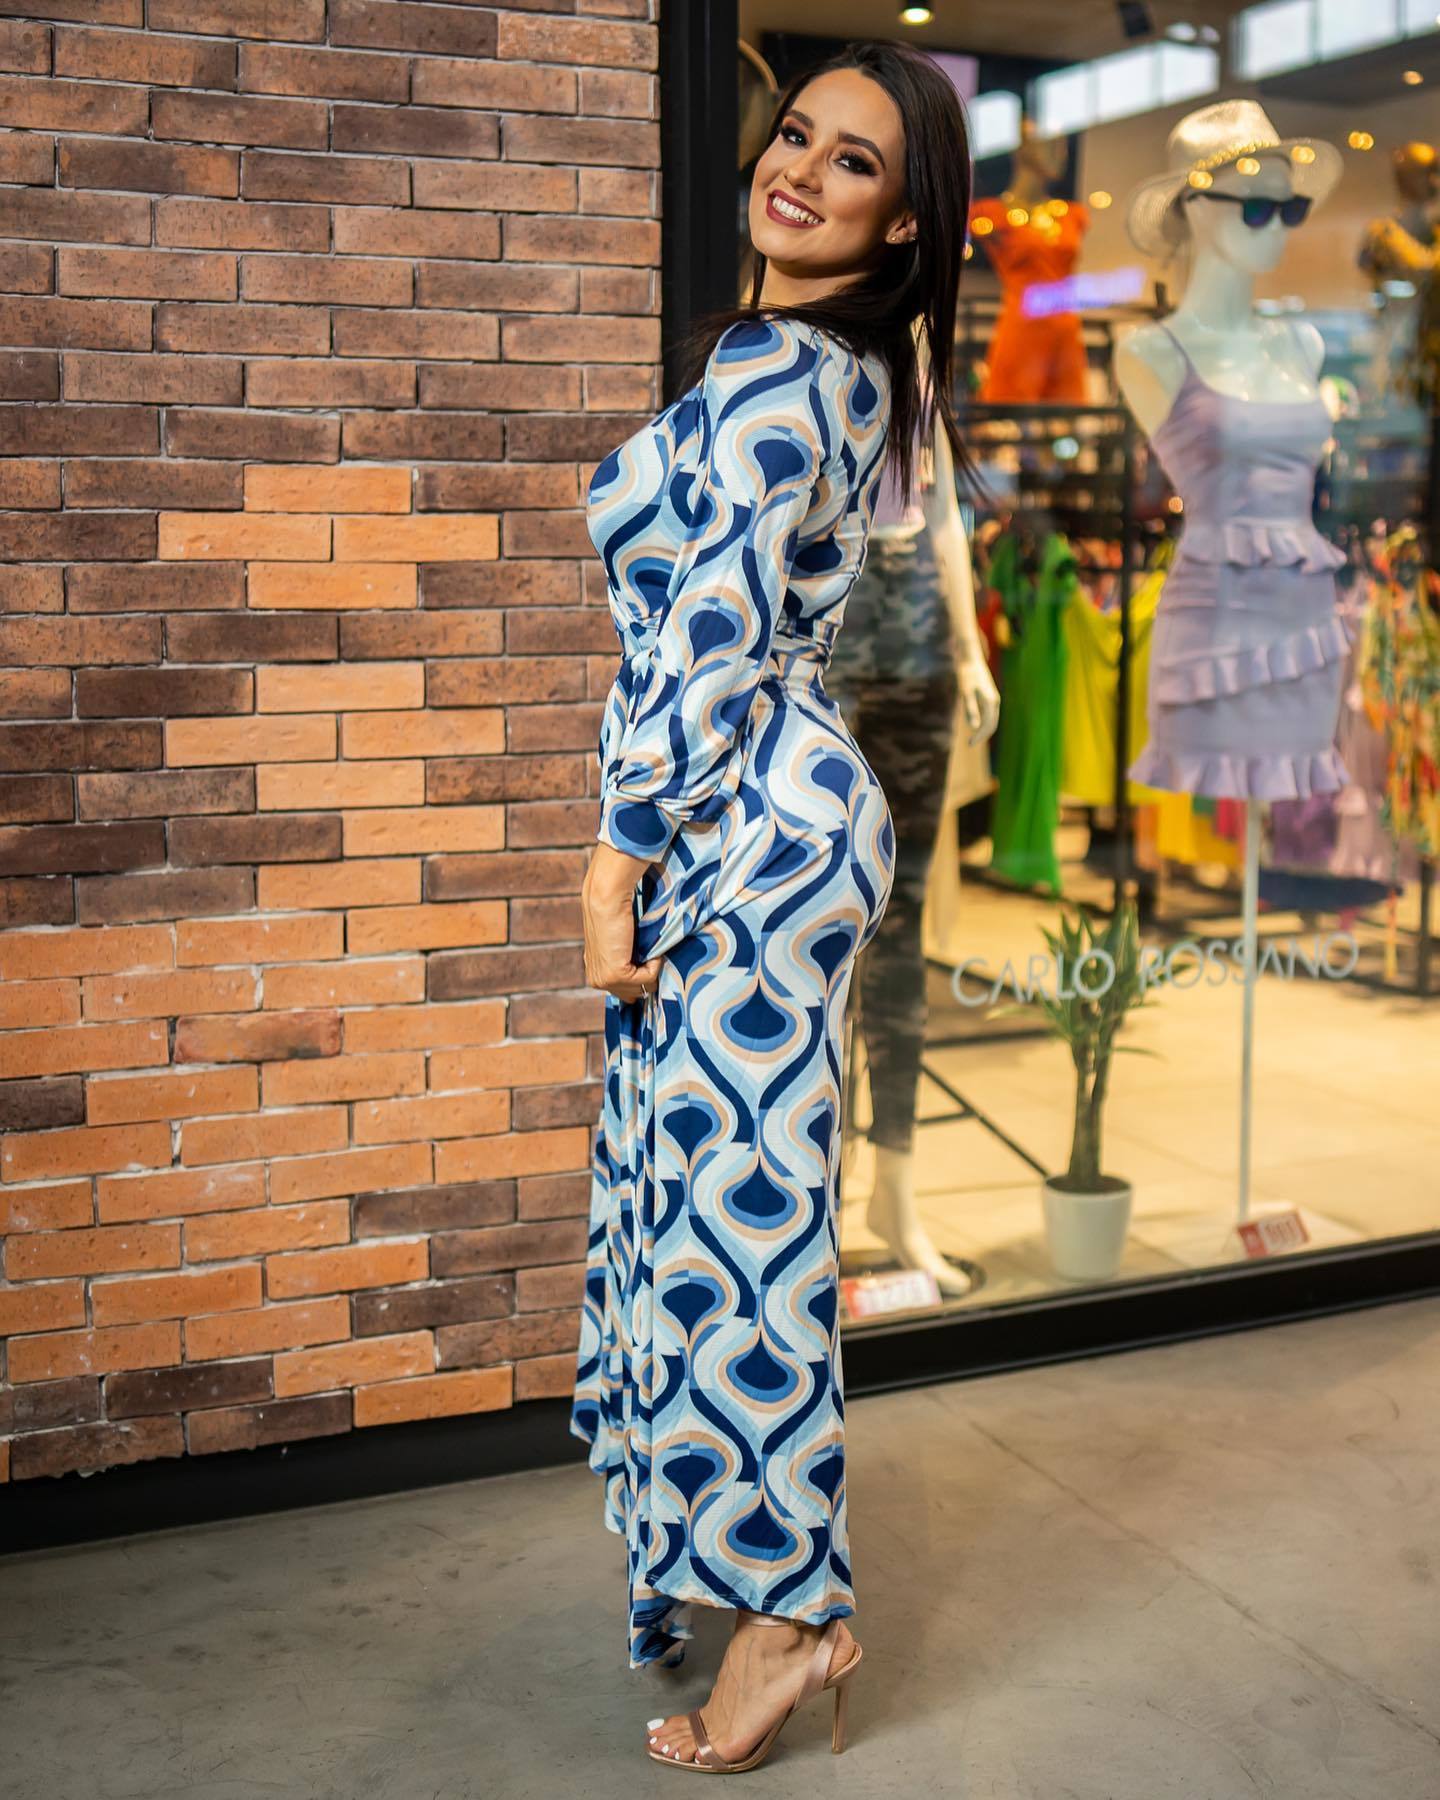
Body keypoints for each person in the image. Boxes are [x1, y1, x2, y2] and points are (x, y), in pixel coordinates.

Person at [572, 40, 975, 1773]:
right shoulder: (844, 369)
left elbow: (711, 638)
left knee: (738, 1246)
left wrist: (615, 856)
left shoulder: (779, 371)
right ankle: (750, 1578)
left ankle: (790, 1621)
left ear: (906, 221)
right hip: (778, 814)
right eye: (795, 134)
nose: (798, 170)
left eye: (854, 161)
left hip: (744, 826)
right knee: (714, 1223)